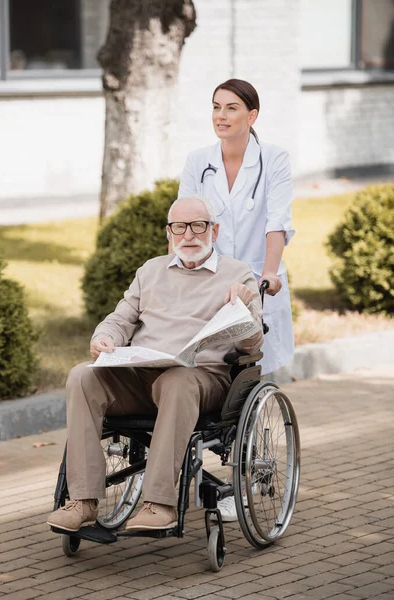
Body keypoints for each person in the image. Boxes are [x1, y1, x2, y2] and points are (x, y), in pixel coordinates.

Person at [47, 196, 264, 533]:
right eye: (180, 227)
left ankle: (158, 503)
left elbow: (252, 344)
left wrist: (245, 309)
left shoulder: (237, 274)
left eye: (198, 226)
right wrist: (104, 337)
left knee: (176, 381)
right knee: (81, 377)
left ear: (214, 230)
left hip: (200, 379)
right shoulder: (150, 271)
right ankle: (83, 500)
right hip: (142, 375)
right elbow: (121, 319)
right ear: (169, 232)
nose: (188, 235)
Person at [178, 78, 295, 521]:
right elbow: (187, 219)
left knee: (247, 379)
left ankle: (242, 478)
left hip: (259, 284)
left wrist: (266, 273)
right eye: (215, 107)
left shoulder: (274, 160)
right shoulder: (198, 162)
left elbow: (276, 221)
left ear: (252, 116)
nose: (221, 116)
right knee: (202, 367)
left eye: (231, 108)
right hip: (208, 282)